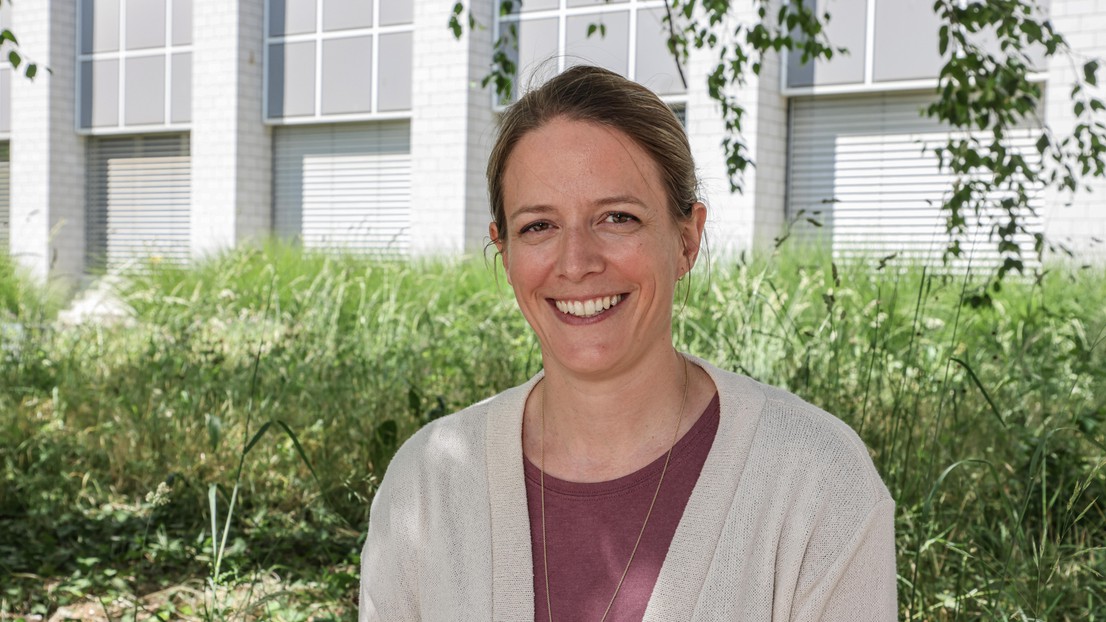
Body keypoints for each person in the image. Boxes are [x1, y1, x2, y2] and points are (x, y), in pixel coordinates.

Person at [359, 65, 897, 621]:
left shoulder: (819, 482)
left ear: (687, 239)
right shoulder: (426, 485)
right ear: (504, 249)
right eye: (539, 226)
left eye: (618, 217)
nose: (577, 263)